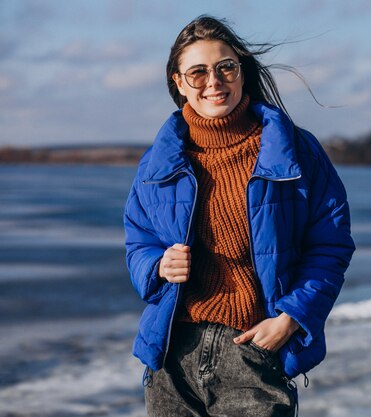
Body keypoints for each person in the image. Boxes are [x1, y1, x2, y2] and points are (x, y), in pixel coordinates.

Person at [123, 14, 355, 417]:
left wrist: (292, 318)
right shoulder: (158, 163)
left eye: (225, 67)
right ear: (179, 84)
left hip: (254, 354)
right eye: (197, 73)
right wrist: (157, 265)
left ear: (241, 72)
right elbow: (137, 241)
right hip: (173, 360)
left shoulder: (295, 151)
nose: (213, 82)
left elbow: (331, 246)